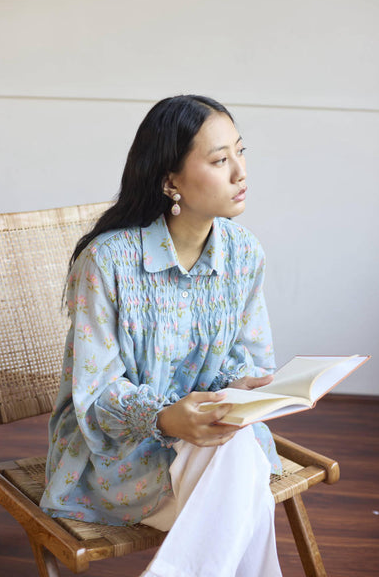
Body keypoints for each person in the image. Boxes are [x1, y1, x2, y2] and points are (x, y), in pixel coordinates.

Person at [40, 94, 283, 576]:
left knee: (234, 448)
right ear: (170, 180)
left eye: (241, 151)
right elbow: (98, 394)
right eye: (219, 160)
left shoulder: (244, 253)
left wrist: (253, 387)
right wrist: (169, 419)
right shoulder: (108, 263)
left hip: (209, 440)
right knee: (240, 465)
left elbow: (247, 359)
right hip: (117, 456)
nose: (240, 173)